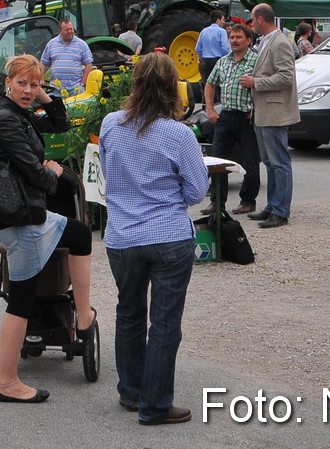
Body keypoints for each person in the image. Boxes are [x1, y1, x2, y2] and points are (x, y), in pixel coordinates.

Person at [0, 54, 96, 404]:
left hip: (24, 213)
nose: (29, 90)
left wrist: (44, 95)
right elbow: (34, 173)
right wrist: (56, 173)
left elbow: (60, 123)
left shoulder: (19, 114)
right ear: (7, 83)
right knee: (20, 304)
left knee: (79, 234)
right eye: (23, 83)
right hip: (22, 217)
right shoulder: (6, 120)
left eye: (35, 84)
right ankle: (8, 382)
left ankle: (84, 313)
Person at [100, 50, 208, 425]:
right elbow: (196, 191)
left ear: (136, 83)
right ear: (172, 88)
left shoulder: (112, 124)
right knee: (164, 323)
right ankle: (156, 404)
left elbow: (107, 175)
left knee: (128, 313)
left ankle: (131, 392)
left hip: (122, 235)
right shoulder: (180, 135)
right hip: (167, 235)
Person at [241, 3, 296, 228]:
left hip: (275, 112)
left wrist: (256, 82)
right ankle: (273, 206)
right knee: (270, 162)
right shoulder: (266, 42)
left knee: (279, 162)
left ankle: (281, 211)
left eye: (252, 20)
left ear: (260, 20)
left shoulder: (280, 42)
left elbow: (286, 77)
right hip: (264, 112)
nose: (251, 24)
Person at [202, 21, 261, 214]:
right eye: (232, 38)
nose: (234, 41)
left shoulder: (256, 60)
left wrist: (258, 108)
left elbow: (266, 85)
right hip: (225, 117)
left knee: (250, 161)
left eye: (239, 37)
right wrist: (210, 110)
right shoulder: (223, 61)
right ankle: (217, 203)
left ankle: (248, 201)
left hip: (247, 118)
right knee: (218, 162)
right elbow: (210, 84)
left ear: (249, 40)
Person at [39, 16, 95, 94]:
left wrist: (82, 84)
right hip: (55, 89)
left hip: (75, 89)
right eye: (66, 30)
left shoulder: (82, 44)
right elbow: (43, 63)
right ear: (60, 31)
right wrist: (40, 78)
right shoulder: (51, 44)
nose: (70, 31)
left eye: (71, 29)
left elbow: (89, 65)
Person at [196, 10, 231, 77]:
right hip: (218, 61)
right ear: (218, 19)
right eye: (223, 19)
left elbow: (198, 48)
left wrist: (202, 58)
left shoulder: (204, 31)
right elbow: (225, 48)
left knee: (208, 84)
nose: (224, 22)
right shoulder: (222, 31)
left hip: (206, 62)